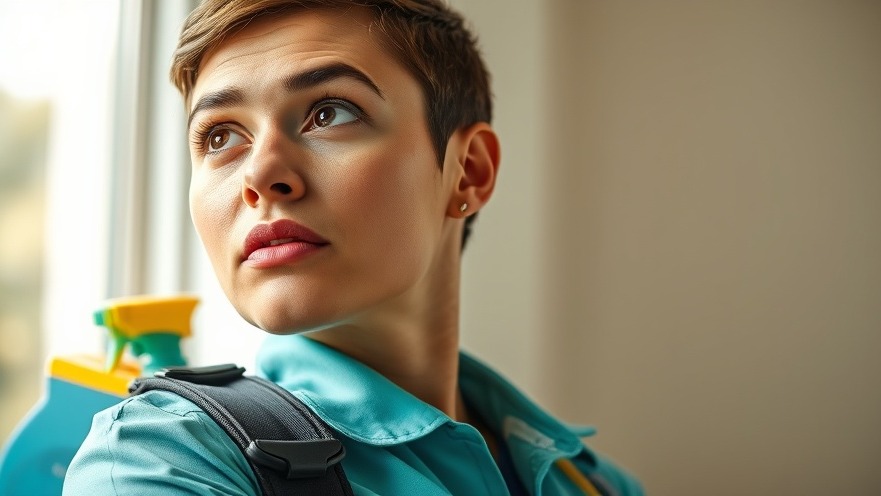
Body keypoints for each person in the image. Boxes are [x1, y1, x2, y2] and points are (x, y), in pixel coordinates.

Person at [64, 1, 644, 494]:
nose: (261, 175)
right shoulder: (159, 460)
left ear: (467, 172)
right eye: (221, 135)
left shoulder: (592, 482)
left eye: (329, 112)